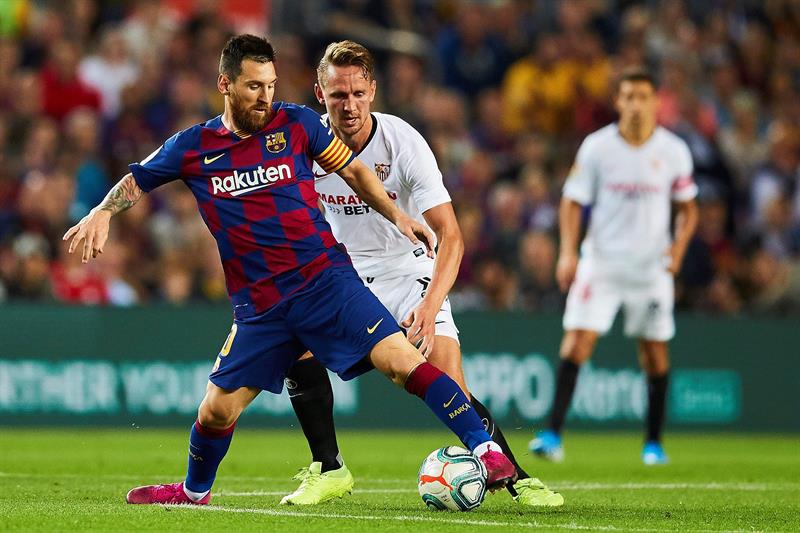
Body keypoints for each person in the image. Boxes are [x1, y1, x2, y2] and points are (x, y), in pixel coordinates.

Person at [63, 34, 516, 505]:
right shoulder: (193, 147)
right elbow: (137, 178)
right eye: (254, 86)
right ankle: (194, 492)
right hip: (260, 307)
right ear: (225, 84)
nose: (266, 97)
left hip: (326, 282)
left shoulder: (297, 124)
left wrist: (398, 215)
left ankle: (487, 450)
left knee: (403, 363)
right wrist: (101, 211)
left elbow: (355, 171)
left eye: (272, 85)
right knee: (216, 411)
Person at [279, 40, 563, 507]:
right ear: (319, 93)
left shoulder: (403, 142)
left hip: (405, 270)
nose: (348, 105)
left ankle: (518, 480)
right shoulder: (303, 147)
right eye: (337, 96)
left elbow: (451, 235)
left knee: (449, 380)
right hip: (339, 274)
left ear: (372, 90)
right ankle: (328, 468)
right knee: (294, 342)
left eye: (357, 93)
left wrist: (430, 308)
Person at [530, 68, 699, 465]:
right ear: (618, 102)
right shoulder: (597, 147)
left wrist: (677, 251)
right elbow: (572, 200)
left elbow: (689, 210)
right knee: (576, 342)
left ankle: (653, 443)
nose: (636, 104)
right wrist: (568, 252)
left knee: (654, 352)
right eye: (629, 96)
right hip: (601, 263)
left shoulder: (673, 151)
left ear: (656, 102)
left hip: (650, 269)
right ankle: (552, 436)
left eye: (643, 96)